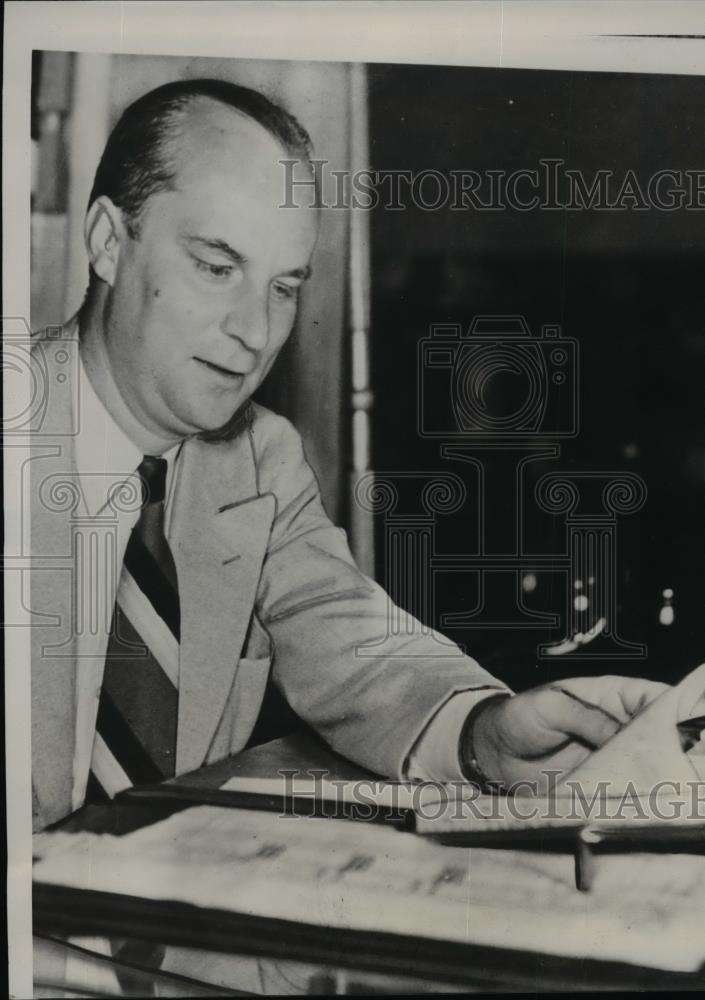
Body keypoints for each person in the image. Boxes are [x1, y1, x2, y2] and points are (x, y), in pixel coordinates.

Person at [29, 78, 667, 832]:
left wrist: (485, 735)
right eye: (216, 266)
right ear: (108, 240)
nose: (256, 331)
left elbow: (351, 638)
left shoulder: (259, 458)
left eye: (283, 287)